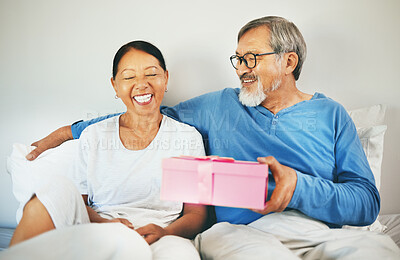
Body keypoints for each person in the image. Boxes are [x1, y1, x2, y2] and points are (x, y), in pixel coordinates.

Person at [24, 17, 400, 259]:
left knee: (377, 252)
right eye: (237, 59)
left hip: (321, 231)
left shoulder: (331, 114)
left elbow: (365, 201)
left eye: (252, 58)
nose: (241, 70)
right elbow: (145, 111)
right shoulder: (220, 105)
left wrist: (299, 187)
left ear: (289, 62)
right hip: (242, 232)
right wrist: (63, 133)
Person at [8, 40, 207, 260]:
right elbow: (80, 203)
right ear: (115, 85)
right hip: (100, 228)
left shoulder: (187, 137)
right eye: (129, 77)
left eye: (151, 74)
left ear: (166, 78)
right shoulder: (94, 135)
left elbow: (196, 213)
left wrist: (166, 231)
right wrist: (106, 224)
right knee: (57, 188)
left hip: (165, 235)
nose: (142, 84)